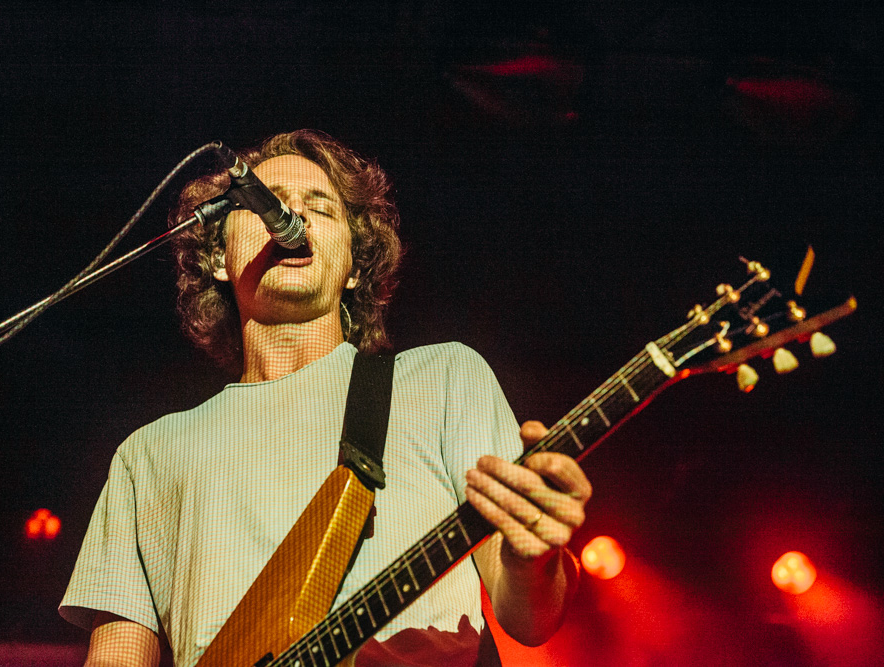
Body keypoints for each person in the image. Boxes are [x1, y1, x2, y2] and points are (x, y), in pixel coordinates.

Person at [59, 130, 592, 667]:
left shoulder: (443, 380)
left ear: (355, 267)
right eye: (264, 205)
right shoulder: (149, 455)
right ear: (218, 258)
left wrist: (533, 562)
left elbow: (530, 620)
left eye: (321, 209)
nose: (289, 218)